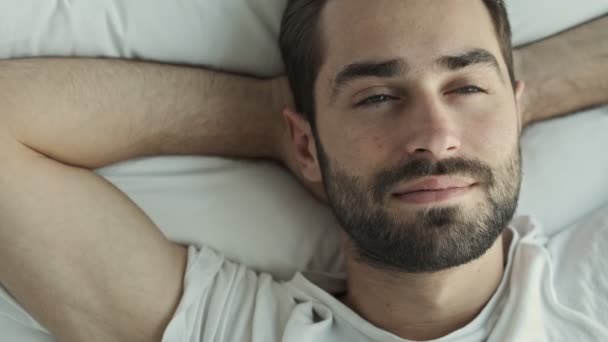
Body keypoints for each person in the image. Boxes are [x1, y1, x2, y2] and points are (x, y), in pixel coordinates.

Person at [0, 0, 606, 341]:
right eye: (376, 97)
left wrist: (523, 97)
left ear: (519, 108)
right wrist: (268, 119)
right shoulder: (234, 330)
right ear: (307, 145)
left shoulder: (593, 293)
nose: (435, 138)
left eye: (467, 87)